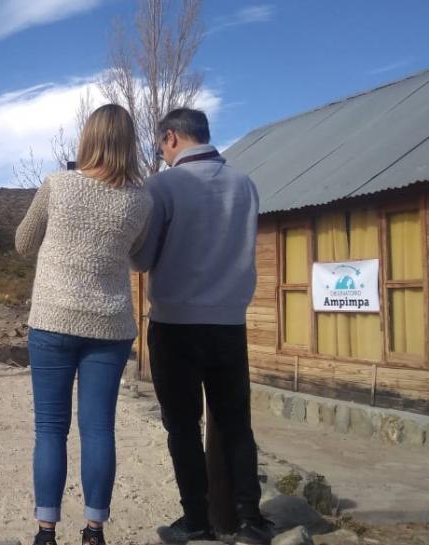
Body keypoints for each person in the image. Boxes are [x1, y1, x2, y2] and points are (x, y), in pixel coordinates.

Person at [130, 108, 272, 545]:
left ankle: (196, 519)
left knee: (183, 426)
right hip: (230, 323)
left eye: (159, 143)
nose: (160, 150)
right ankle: (251, 519)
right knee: (235, 424)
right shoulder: (245, 185)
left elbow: (142, 258)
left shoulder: (163, 186)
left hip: (176, 324)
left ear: (171, 138)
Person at [16, 104, 152, 545]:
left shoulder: (58, 185)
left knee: (50, 428)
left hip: (53, 319)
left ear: (88, 139)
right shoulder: (141, 198)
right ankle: (94, 531)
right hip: (111, 325)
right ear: (130, 143)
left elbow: (22, 244)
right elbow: (138, 257)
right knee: (98, 428)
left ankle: (45, 532)